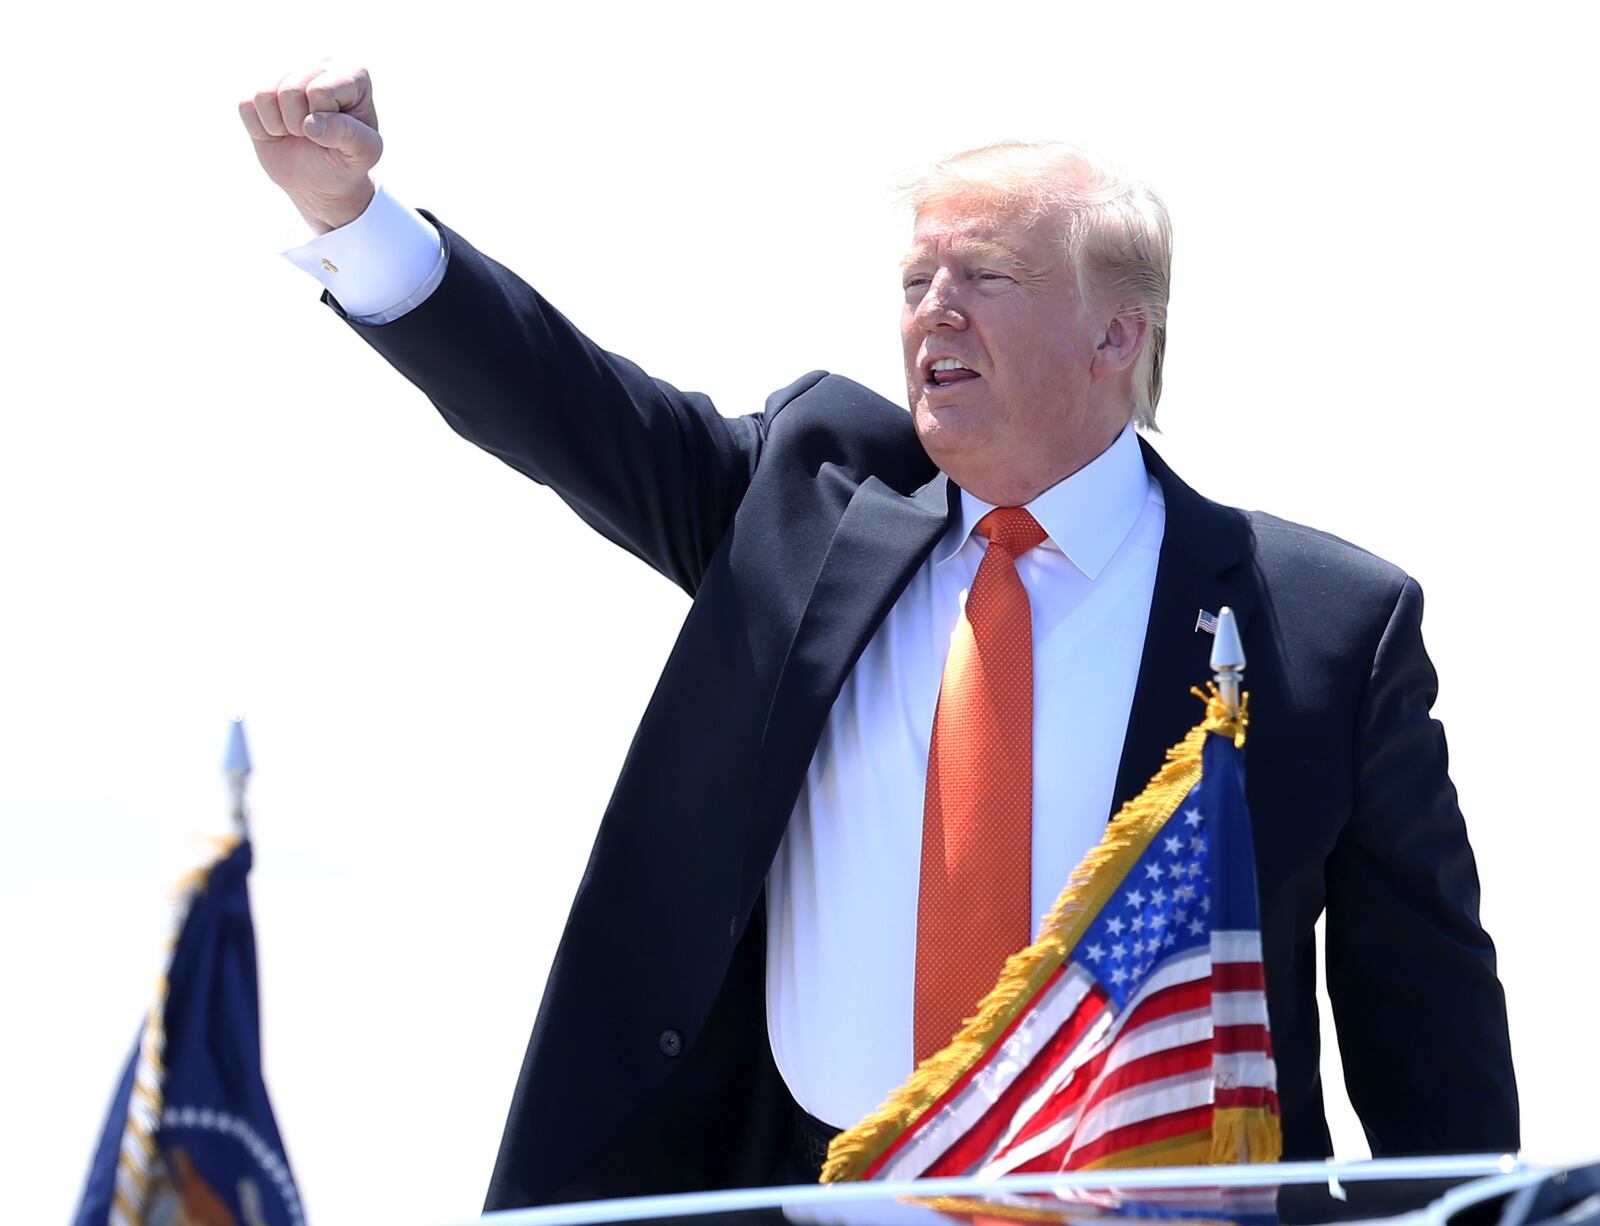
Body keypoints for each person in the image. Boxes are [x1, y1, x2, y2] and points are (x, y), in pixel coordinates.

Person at [240, 64, 1519, 1211]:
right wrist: (356, 217)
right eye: (916, 281)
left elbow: (1428, 1024)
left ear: (1116, 335)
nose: (931, 312)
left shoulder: (1326, 624)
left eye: (985, 277)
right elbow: (567, 405)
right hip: (793, 1186)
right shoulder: (803, 500)